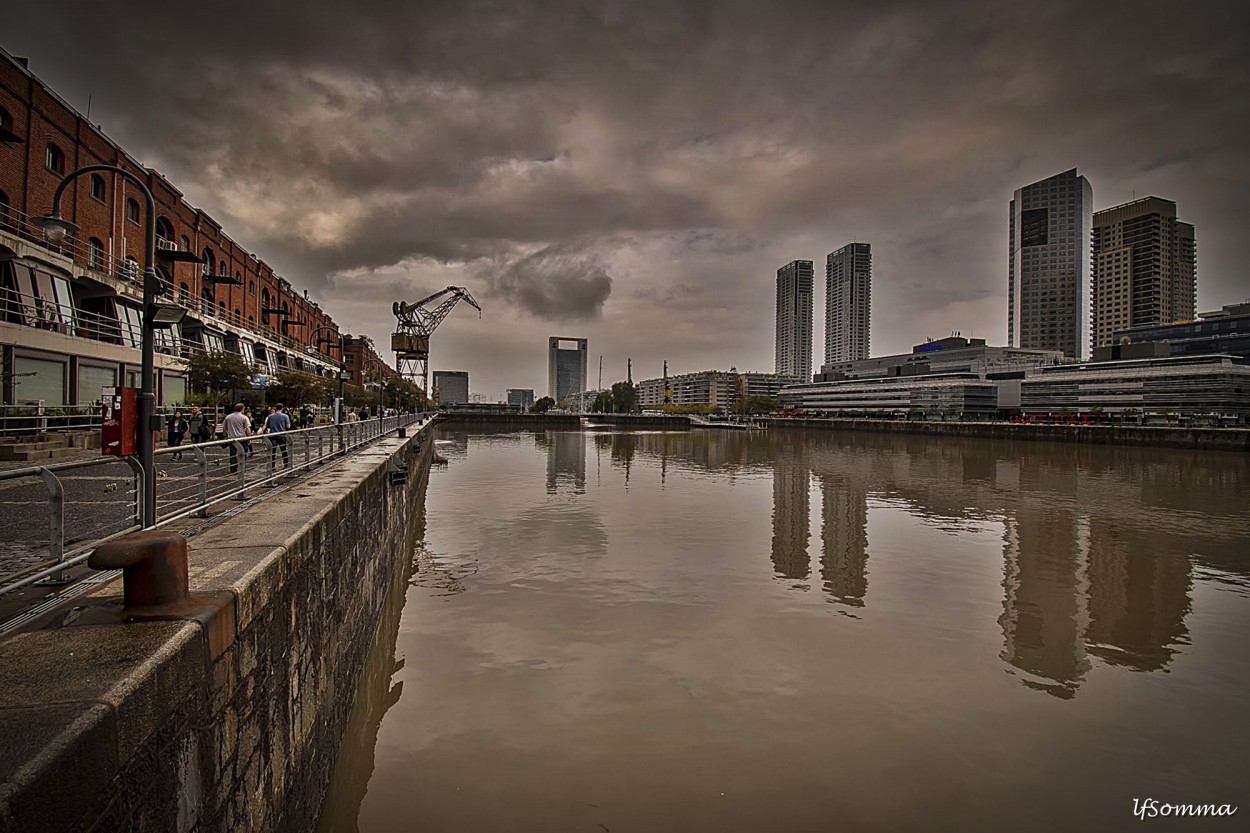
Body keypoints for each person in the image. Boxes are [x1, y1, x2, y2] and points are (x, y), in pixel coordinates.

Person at [223, 403, 252, 474]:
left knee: (233, 453)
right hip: (242, 438)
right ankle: (242, 466)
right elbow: (247, 429)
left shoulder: (228, 417)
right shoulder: (244, 417)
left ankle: (233, 467)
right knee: (243, 453)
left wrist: (225, 436)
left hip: (232, 438)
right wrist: (249, 438)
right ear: (242, 409)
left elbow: (224, 428)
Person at [262, 402, 292, 469]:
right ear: (282, 408)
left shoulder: (270, 416)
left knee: (273, 451)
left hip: (273, 435)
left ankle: (272, 465)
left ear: (275, 408)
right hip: (282, 435)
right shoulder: (285, 416)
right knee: (283, 450)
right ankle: (286, 463)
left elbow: (267, 425)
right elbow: (288, 426)